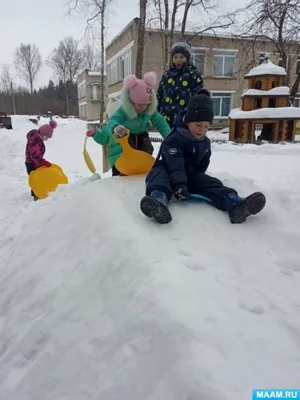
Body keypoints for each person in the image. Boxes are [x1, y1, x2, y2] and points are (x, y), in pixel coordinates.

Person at [140, 89, 266, 224]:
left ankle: (234, 203)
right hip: (169, 170)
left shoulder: (204, 143)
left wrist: (199, 180)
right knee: (158, 175)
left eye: (206, 126)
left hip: (189, 175)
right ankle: (159, 201)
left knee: (211, 183)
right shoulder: (174, 139)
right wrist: (179, 184)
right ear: (188, 122)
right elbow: (174, 163)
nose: (202, 130)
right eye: (198, 125)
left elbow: (202, 165)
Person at [87, 72, 171, 176]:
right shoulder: (124, 111)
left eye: (145, 105)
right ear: (131, 101)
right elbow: (112, 122)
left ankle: (143, 172)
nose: (142, 108)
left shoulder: (149, 110)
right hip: (122, 146)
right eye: (139, 105)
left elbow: (161, 123)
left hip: (140, 142)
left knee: (144, 154)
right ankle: (120, 178)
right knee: (123, 172)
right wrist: (116, 128)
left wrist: (170, 137)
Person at [157, 40, 204, 128]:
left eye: (182, 57)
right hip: (167, 118)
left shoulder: (193, 74)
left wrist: (197, 113)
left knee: (183, 140)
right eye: (175, 57)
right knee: (169, 140)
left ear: (187, 58)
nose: (178, 60)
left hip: (185, 118)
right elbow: (160, 93)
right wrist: (156, 111)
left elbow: (199, 95)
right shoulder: (167, 75)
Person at [25, 119, 57, 200]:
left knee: (36, 178)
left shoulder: (36, 137)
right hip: (32, 163)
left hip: (34, 162)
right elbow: (34, 155)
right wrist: (43, 162)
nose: (47, 139)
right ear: (43, 134)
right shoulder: (35, 140)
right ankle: (37, 196)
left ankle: (36, 192)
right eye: (47, 137)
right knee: (35, 179)